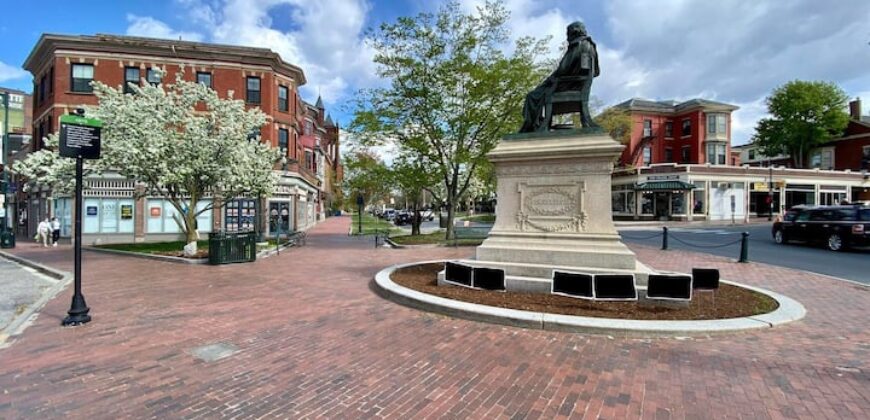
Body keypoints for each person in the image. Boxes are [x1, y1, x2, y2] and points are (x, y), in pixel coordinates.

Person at [520, 21, 600, 132]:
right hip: (572, 85)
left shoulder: (579, 46)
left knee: (532, 96)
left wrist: (554, 79)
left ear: (574, 32)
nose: (567, 37)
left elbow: (563, 69)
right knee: (535, 94)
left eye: (568, 33)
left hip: (565, 85)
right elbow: (593, 71)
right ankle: (537, 123)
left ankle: (532, 126)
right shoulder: (589, 45)